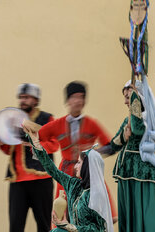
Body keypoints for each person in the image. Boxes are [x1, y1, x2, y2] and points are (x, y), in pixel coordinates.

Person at [38, 81, 117, 221]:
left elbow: (110, 146)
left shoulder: (92, 124)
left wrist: (92, 153)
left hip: (88, 172)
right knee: (64, 213)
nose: (78, 101)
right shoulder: (57, 124)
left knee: (92, 211)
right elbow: (39, 135)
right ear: (68, 100)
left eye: (81, 97)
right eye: (74, 97)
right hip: (66, 172)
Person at [23, 123, 113, 232]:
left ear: (86, 167)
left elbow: (99, 229)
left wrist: (69, 227)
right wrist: (36, 142)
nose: (75, 166)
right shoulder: (73, 185)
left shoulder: (97, 194)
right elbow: (53, 170)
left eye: (79, 163)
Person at [0, 83, 59, 232]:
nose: (23, 101)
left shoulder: (47, 118)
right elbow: (10, 149)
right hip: (17, 182)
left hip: (41, 180)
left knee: (44, 226)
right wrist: (2, 142)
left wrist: (35, 144)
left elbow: (54, 145)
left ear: (36, 100)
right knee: (15, 226)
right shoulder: (13, 119)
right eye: (21, 98)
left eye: (27, 97)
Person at [111, 82, 155, 231]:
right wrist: (123, 136)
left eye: (128, 97)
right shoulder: (127, 121)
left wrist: (134, 100)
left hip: (144, 176)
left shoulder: (150, 120)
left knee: (148, 219)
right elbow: (114, 144)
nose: (125, 102)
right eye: (126, 98)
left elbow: (138, 129)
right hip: (128, 175)